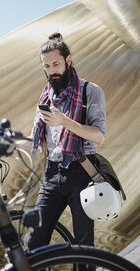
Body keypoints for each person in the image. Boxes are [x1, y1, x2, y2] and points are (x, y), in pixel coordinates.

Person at [27, 33, 106, 257]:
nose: (52, 70)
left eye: (56, 64)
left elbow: (99, 136)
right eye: (47, 66)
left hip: (82, 171)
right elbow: (37, 138)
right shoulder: (46, 96)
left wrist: (65, 122)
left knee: (83, 245)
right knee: (35, 243)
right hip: (52, 173)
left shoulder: (90, 91)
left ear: (68, 60)